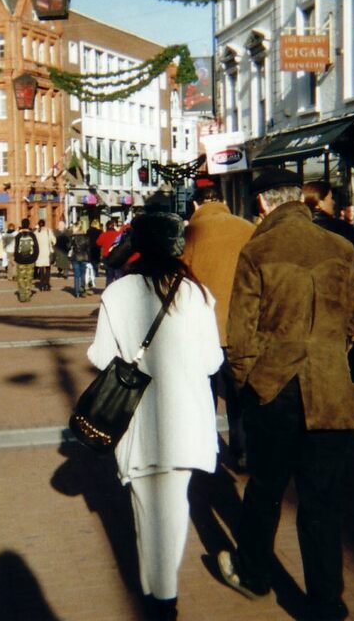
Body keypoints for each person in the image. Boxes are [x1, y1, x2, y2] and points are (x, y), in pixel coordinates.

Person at [217, 170, 354, 620]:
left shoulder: (259, 248)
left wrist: (250, 383)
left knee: (265, 489)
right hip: (331, 391)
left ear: (263, 203)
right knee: (322, 502)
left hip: (275, 388)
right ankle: (325, 603)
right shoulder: (340, 247)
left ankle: (253, 572)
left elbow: (240, 335)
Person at [86, 212, 223, 621]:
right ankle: (163, 595)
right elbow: (213, 360)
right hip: (184, 417)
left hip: (138, 419)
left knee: (146, 508)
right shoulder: (197, 293)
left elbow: (99, 355)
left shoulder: (118, 293)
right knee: (174, 507)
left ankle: (158, 596)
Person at [180, 184, 256, 470]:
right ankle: (242, 448)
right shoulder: (246, 228)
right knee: (239, 394)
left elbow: (178, 279)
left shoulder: (190, 234)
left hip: (200, 330)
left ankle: (205, 450)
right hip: (240, 325)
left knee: (203, 393)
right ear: (222, 201)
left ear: (196, 205)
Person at [303, 182, 354, 330]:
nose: (333, 202)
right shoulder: (342, 229)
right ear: (319, 203)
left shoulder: (297, 229)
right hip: (338, 305)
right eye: (330, 198)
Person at [12, 219, 40, 302]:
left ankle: (22, 295)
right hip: (30, 260)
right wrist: (34, 258)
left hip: (20, 260)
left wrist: (17, 258)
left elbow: (16, 249)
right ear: (28, 224)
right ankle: (27, 295)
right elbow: (36, 248)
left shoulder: (18, 236)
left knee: (21, 278)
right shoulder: (32, 235)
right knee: (29, 278)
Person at [69, 218, 93, 297]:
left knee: (76, 275)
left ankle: (77, 292)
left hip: (75, 257)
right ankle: (82, 290)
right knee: (83, 274)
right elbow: (89, 249)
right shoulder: (86, 237)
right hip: (84, 257)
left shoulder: (73, 238)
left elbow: (69, 246)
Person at [34, 219, 57, 291]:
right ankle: (47, 283)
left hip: (39, 253)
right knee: (47, 269)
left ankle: (41, 284)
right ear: (44, 224)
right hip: (47, 252)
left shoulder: (36, 232)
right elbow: (54, 241)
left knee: (41, 269)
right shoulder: (48, 231)